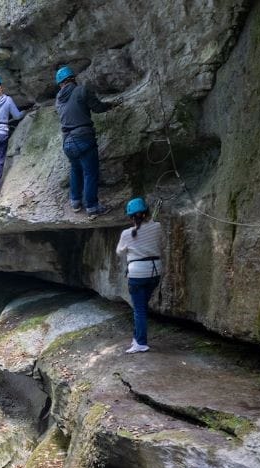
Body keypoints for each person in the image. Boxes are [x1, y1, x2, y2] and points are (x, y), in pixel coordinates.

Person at [55, 65, 115, 216]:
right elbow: (98, 107)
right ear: (73, 78)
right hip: (83, 137)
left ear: (60, 83)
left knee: (75, 169)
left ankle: (75, 202)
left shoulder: (58, 99)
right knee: (90, 173)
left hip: (67, 141)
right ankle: (92, 208)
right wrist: (111, 105)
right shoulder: (81, 90)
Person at [116, 197, 163, 353]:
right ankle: (137, 338)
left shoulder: (127, 234)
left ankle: (141, 343)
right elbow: (153, 233)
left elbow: (119, 252)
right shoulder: (157, 227)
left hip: (137, 274)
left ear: (130, 217)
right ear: (146, 212)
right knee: (141, 307)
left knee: (139, 309)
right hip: (155, 272)